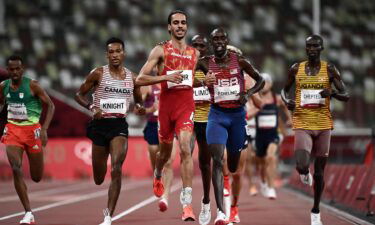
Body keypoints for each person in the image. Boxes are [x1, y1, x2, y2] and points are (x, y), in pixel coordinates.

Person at [135, 10, 214, 221]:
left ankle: (187, 203)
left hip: (186, 107)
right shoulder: (160, 50)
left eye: (183, 23)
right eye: (176, 23)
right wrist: (165, 76)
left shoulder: (194, 54)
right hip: (166, 110)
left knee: (186, 148)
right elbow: (140, 79)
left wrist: (206, 80)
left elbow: (189, 80)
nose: (180, 26)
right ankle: (158, 173)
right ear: (169, 27)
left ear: (187, 27)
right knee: (163, 154)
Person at [196, 28, 264, 225]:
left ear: (226, 40)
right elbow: (187, 81)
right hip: (216, 116)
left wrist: (248, 94)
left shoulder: (240, 61)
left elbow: (260, 80)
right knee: (217, 160)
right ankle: (220, 212)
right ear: (211, 42)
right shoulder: (204, 62)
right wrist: (202, 80)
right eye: (214, 38)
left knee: (233, 166)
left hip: (237, 118)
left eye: (221, 38)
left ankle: (233, 205)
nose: (218, 41)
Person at [75, 37, 145, 225]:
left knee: (116, 168)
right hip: (99, 126)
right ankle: (101, 180)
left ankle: (108, 215)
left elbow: (139, 100)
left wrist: (139, 106)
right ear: (107, 55)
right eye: (111, 52)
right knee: (98, 178)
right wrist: (91, 108)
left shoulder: (132, 77)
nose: (114, 55)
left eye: (118, 51)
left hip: (119, 126)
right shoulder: (97, 73)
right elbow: (79, 94)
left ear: (124, 53)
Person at [281, 34, 349, 225]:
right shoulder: (296, 68)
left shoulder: (329, 69)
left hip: (323, 125)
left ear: (321, 49)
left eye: (315, 46)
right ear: (305, 48)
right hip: (302, 122)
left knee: (319, 173)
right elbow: (284, 90)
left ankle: (316, 210)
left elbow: (346, 94)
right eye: (308, 46)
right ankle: (303, 172)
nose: (311, 49)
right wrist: (288, 102)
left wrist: (333, 93)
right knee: (302, 164)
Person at [0, 55, 55, 224]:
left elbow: (51, 105)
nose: (15, 72)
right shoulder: (3, 86)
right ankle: (28, 212)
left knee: (37, 176)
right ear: (7, 70)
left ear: (22, 69)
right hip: (13, 130)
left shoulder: (33, 85)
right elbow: (2, 104)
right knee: (16, 168)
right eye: (11, 69)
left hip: (32, 131)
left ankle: (28, 210)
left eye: (18, 69)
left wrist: (44, 129)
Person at [252, 73, 292, 200]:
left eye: (267, 82)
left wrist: (290, 119)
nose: (265, 85)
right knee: (262, 164)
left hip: (273, 134)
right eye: (262, 82)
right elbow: (248, 114)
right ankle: (263, 182)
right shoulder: (255, 98)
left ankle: (271, 187)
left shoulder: (277, 98)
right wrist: (257, 109)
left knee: (271, 158)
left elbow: (286, 107)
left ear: (271, 84)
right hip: (260, 136)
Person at [141, 82, 176, 212]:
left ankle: (165, 198)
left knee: (168, 162)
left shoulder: (174, 82)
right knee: (157, 163)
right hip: (153, 126)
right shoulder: (149, 86)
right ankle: (157, 177)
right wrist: (151, 109)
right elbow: (138, 109)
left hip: (170, 125)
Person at [189, 34, 212, 225]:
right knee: (185, 154)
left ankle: (206, 201)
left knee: (205, 162)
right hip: (187, 118)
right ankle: (186, 202)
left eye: (201, 45)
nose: (198, 48)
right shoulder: (185, 64)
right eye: (195, 45)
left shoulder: (211, 65)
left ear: (207, 48)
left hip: (207, 119)